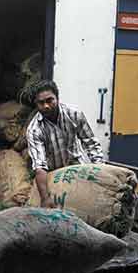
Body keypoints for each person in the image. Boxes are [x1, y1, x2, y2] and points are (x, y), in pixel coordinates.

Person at [26, 80, 103, 208]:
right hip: (55, 176)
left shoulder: (74, 114)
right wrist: (45, 198)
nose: (46, 106)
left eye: (50, 100)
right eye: (41, 103)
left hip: (79, 168)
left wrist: (99, 171)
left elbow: (90, 143)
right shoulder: (34, 130)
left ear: (57, 98)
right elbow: (40, 166)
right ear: (36, 104)